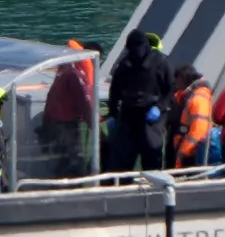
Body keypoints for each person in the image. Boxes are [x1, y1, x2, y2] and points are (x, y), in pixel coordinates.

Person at [106, 29, 174, 171]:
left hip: (151, 118)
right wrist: (112, 114)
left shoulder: (161, 62)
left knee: (152, 154)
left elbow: (171, 90)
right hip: (127, 116)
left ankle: (153, 188)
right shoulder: (125, 64)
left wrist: (159, 107)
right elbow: (115, 91)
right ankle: (122, 188)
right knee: (121, 158)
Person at [38, 41, 96, 176]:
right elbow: (84, 102)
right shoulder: (74, 76)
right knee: (74, 160)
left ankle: (60, 183)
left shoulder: (62, 72)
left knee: (62, 159)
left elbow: (50, 99)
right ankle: (76, 187)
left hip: (54, 122)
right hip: (66, 125)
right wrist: (95, 126)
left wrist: (45, 124)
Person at [171, 65, 216, 167]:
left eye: (176, 79)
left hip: (191, 154)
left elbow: (199, 130)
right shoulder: (192, 95)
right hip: (189, 151)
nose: (175, 82)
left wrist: (183, 152)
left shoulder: (198, 98)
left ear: (183, 79)